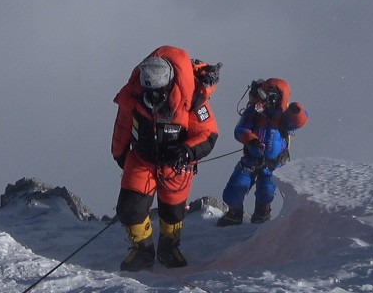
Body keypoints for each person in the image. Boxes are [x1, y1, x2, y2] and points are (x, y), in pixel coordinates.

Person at [111, 46, 219, 270]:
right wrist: (119, 152)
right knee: (130, 208)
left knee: (173, 212)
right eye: (148, 89)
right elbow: (123, 124)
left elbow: (207, 133)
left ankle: (168, 248)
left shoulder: (193, 98)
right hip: (141, 158)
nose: (153, 96)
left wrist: (188, 151)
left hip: (177, 164)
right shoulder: (134, 94)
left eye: (159, 90)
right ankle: (143, 250)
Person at [217, 77, 308, 226]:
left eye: (274, 96)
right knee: (236, 188)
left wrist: (297, 111)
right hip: (250, 161)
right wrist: (251, 139)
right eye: (267, 94)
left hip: (272, 166)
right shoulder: (254, 111)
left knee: (266, 193)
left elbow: (300, 120)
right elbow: (240, 130)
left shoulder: (285, 117)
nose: (270, 99)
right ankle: (234, 214)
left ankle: (261, 215)